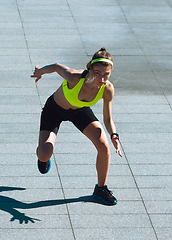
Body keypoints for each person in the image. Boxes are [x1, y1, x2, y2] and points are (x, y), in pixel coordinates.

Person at [31, 48, 122, 205]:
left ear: (111, 71)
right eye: (98, 73)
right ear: (91, 69)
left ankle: (101, 188)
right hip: (54, 110)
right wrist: (40, 72)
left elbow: (108, 119)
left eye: (106, 73)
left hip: (80, 111)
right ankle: (42, 156)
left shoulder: (107, 89)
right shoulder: (75, 77)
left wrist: (114, 135)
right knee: (44, 153)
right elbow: (56, 66)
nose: (101, 78)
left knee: (104, 146)